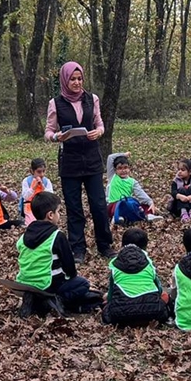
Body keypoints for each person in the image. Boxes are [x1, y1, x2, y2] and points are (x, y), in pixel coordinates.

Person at [45, 61, 116, 263]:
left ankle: (105, 245)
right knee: (74, 207)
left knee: (99, 205)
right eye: (72, 79)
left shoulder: (92, 99)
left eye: (79, 78)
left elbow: (100, 123)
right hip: (70, 161)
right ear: (65, 80)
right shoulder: (55, 103)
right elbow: (48, 131)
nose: (77, 82)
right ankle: (77, 249)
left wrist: (99, 132)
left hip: (92, 158)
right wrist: (57, 136)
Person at [15, 192, 95, 311]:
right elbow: (69, 265)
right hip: (48, 284)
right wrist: (72, 277)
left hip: (25, 283)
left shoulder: (23, 238)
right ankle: (54, 301)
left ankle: (35, 299)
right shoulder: (57, 236)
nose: (59, 214)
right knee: (83, 284)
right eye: (58, 211)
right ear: (50, 215)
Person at [101, 227, 169, 326]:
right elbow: (159, 289)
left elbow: (111, 294)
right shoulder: (148, 263)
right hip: (152, 311)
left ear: (122, 244)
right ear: (145, 246)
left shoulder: (115, 263)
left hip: (121, 314)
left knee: (106, 306)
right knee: (165, 296)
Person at [106, 152, 160, 222]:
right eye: (120, 168)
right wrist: (124, 155)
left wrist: (150, 202)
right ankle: (117, 217)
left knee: (142, 204)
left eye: (125, 167)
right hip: (113, 205)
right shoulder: (112, 177)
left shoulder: (132, 182)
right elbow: (110, 157)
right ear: (115, 170)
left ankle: (148, 215)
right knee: (118, 205)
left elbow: (140, 193)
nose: (123, 170)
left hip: (127, 205)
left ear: (129, 168)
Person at [20, 158, 54, 225]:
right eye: (39, 172)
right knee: (32, 223)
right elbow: (25, 197)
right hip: (29, 207)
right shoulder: (26, 181)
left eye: (43, 171)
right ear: (32, 171)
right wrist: (33, 188)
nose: (42, 174)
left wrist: (43, 187)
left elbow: (51, 197)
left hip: (44, 207)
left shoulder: (46, 181)